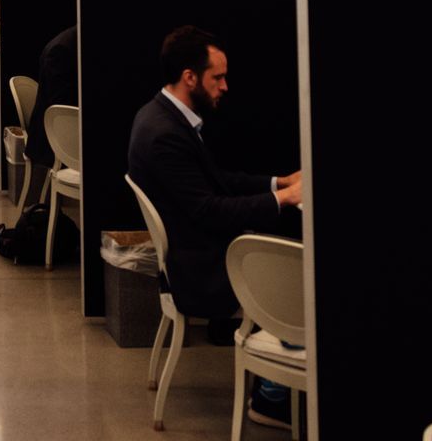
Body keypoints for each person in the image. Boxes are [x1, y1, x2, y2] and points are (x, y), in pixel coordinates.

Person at [127, 25, 303, 429]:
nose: (225, 86)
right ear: (190, 77)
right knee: (299, 273)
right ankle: (272, 397)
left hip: (195, 253)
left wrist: (279, 183)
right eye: (217, 77)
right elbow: (212, 211)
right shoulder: (165, 135)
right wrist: (285, 199)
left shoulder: (160, 115)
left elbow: (216, 183)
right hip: (201, 270)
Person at [24, 24, 78, 172]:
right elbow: (61, 105)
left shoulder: (66, 43)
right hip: (56, 139)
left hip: (57, 130)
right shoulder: (62, 50)